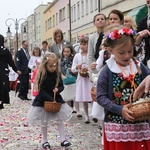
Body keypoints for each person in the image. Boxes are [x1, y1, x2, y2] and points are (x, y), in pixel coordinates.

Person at [96, 25, 150, 150]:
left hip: (140, 125)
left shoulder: (139, 66)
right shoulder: (107, 70)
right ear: (110, 50)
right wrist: (119, 109)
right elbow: (100, 96)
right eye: (121, 52)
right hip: (117, 125)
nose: (127, 56)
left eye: (130, 51)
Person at [27, 52, 71, 149]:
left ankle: (63, 139)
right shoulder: (43, 75)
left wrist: (58, 90)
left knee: (60, 120)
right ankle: (45, 140)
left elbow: (61, 86)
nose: (53, 68)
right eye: (50, 66)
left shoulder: (57, 74)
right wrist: (51, 100)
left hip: (56, 98)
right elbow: (41, 91)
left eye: (55, 66)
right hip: (44, 99)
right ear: (45, 65)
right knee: (44, 121)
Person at [71, 35, 93, 123]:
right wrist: (77, 66)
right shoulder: (77, 56)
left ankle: (93, 113)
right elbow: (73, 68)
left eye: (85, 44)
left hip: (90, 78)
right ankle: (86, 115)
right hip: (81, 78)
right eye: (81, 44)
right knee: (84, 97)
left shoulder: (90, 55)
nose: (83, 46)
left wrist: (89, 68)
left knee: (92, 96)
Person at [0, 34, 20, 109]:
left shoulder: (6, 51)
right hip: (4, 71)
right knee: (3, 86)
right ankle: (2, 101)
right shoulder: (6, 51)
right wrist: (16, 70)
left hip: (3, 71)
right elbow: (10, 62)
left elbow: (10, 62)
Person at [60, 44, 76, 111]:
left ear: (71, 52)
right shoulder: (61, 61)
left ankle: (74, 107)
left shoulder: (72, 60)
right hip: (65, 78)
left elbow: (74, 69)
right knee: (66, 94)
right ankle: (68, 108)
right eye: (65, 52)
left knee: (73, 93)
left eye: (68, 52)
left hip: (72, 78)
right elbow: (60, 69)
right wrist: (62, 75)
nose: (66, 53)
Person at [135, 0, 150, 65]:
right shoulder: (142, 21)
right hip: (147, 60)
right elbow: (136, 43)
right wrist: (140, 36)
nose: (149, 5)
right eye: (148, 2)